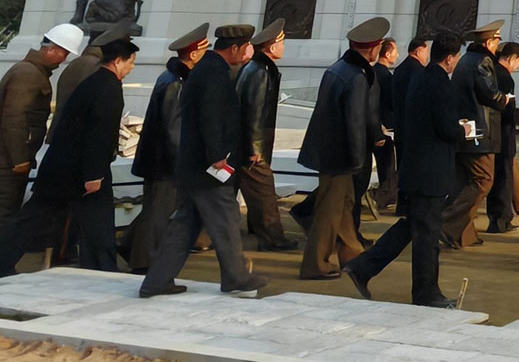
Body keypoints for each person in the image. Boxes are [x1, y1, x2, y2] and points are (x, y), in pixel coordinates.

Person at [0, 37, 138, 286]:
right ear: (117, 62)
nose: (132, 67)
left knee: (87, 223)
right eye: (131, 62)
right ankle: (102, 269)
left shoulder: (94, 83)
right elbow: (99, 133)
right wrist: (93, 174)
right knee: (67, 222)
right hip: (78, 172)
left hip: (63, 168)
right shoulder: (108, 88)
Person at [139, 23, 269, 299]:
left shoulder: (209, 69)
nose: (248, 52)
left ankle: (156, 281)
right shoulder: (213, 74)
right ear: (234, 48)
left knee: (185, 225)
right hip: (208, 167)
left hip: (195, 166)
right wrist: (217, 156)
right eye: (246, 47)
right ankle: (236, 277)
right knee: (225, 219)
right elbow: (210, 118)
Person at [344, 31, 471, 309]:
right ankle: (426, 292)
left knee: (412, 226)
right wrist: (462, 129)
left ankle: (363, 267)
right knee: (426, 235)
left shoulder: (420, 78)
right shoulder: (439, 84)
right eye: (457, 57)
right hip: (431, 172)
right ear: (450, 59)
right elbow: (446, 128)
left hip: (415, 166)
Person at [0, 22, 81, 250]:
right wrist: (19, 158)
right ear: (52, 49)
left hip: (2, 161)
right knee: (1, 219)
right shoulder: (29, 75)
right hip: (6, 163)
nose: (63, 59)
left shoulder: (29, 71)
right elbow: (15, 120)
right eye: (64, 53)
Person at [297, 17, 389, 280]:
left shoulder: (340, 69)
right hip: (340, 156)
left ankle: (352, 253)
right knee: (329, 212)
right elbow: (355, 122)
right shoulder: (356, 77)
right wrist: (359, 159)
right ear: (375, 47)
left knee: (345, 206)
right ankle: (316, 264)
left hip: (330, 152)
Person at [126, 23, 208, 270]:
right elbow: (175, 130)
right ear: (193, 55)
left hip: (159, 160)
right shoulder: (176, 83)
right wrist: (185, 164)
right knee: (159, 214)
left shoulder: (173, 78)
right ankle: (146, 263)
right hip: (165, 163)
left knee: (155, 210)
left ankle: (131, 246)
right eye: (204, 51)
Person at [439, 21, 509, 249]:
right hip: (479, 132)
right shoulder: (483, 61)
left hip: (467, 129)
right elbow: (490, 95)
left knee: (463, 182)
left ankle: (462, 234)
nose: (498, 45)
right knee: (482, 180)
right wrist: (504, 99)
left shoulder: (466, 60)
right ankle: (444, 224)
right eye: (497, 40)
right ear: (489, 42)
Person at [234, 19, 293, 251]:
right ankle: (273, 239)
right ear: (271, 46)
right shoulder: (260, 71)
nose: (284, 47)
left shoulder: (256, 68)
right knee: (264, 192)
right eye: (282, 42)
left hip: (244, 144)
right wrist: (255, 149)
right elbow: (255, 112)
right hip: (251, 148)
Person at [485, 41, 519, 233]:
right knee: (503, 179)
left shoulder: (489, 72)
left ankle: (497, 217)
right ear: (512, 58)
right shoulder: (505, 78)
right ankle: (501, 220)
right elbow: (507, 110)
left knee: (497, 178)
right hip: (503, 134)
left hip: (491, 133)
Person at [390, 37, 430, 214]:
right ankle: (408, 205)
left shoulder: (399, 70)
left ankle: (402, 204)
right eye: (426, 51)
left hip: (399, 126)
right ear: (419, 50)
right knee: (413, 168)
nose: (427, 55)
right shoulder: (419, 71)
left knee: (402, 167)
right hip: (413, 128)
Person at [370, 38, 400, 214]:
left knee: (384, 164)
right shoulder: (385, 76)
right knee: (388, 165)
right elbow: (391, 102)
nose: (397, 54)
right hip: (385, 128)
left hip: (377, 125)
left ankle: (383, 196)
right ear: (387, 54)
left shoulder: (373, 72)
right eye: (395, 51)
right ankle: (381, 197)